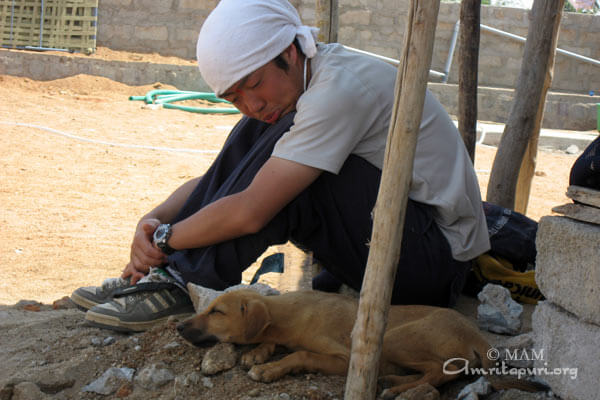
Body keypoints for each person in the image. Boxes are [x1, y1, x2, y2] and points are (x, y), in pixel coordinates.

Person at [71, 0, 490, 332]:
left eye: (253, 84)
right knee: (253, 133)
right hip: (394, 244)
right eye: (233, 96)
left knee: (300, 180)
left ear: (289, 52)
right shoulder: (298, 91)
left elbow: (252, 210)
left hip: (431, 266)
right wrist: (155, 219)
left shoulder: (337, 92)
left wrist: (166, 241)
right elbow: (220, 181)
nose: (250, 103)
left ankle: (185, 282)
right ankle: (164, 275)